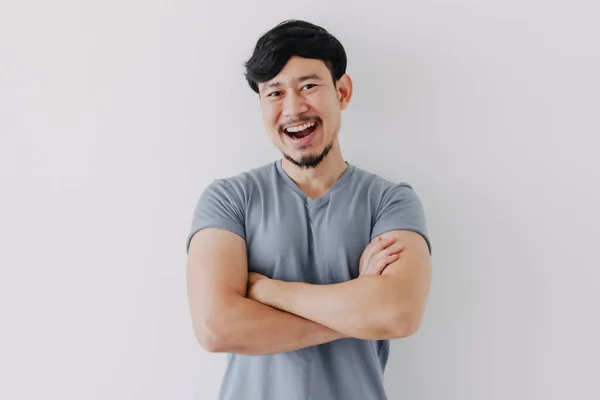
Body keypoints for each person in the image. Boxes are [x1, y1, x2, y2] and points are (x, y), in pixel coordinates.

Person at [185, 19, 433, 400]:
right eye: (274, 93)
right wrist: (357, 312)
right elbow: (217, 328)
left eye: (309, 86)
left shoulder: (391, 201)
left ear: (343, 92)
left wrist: (268, 291)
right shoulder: (229, 199)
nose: (293, 108)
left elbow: (397, 313)